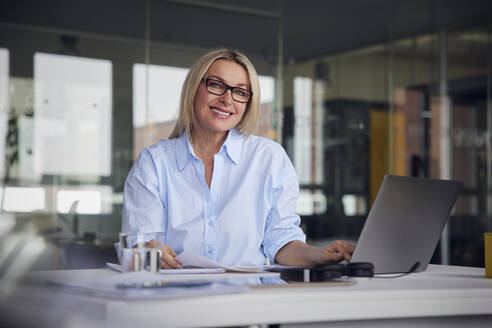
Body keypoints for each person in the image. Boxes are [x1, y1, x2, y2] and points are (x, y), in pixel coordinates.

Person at [122, 48, 354, 269]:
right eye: (216, 85)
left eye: (240, 92)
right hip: (176, 299)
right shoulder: (154, 162)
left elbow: (280, 241)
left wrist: (319, 254)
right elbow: (139, 241)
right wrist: (148, 249)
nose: (227, 99)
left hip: (248, 297)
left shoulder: (269, 158)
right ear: (194, 88)